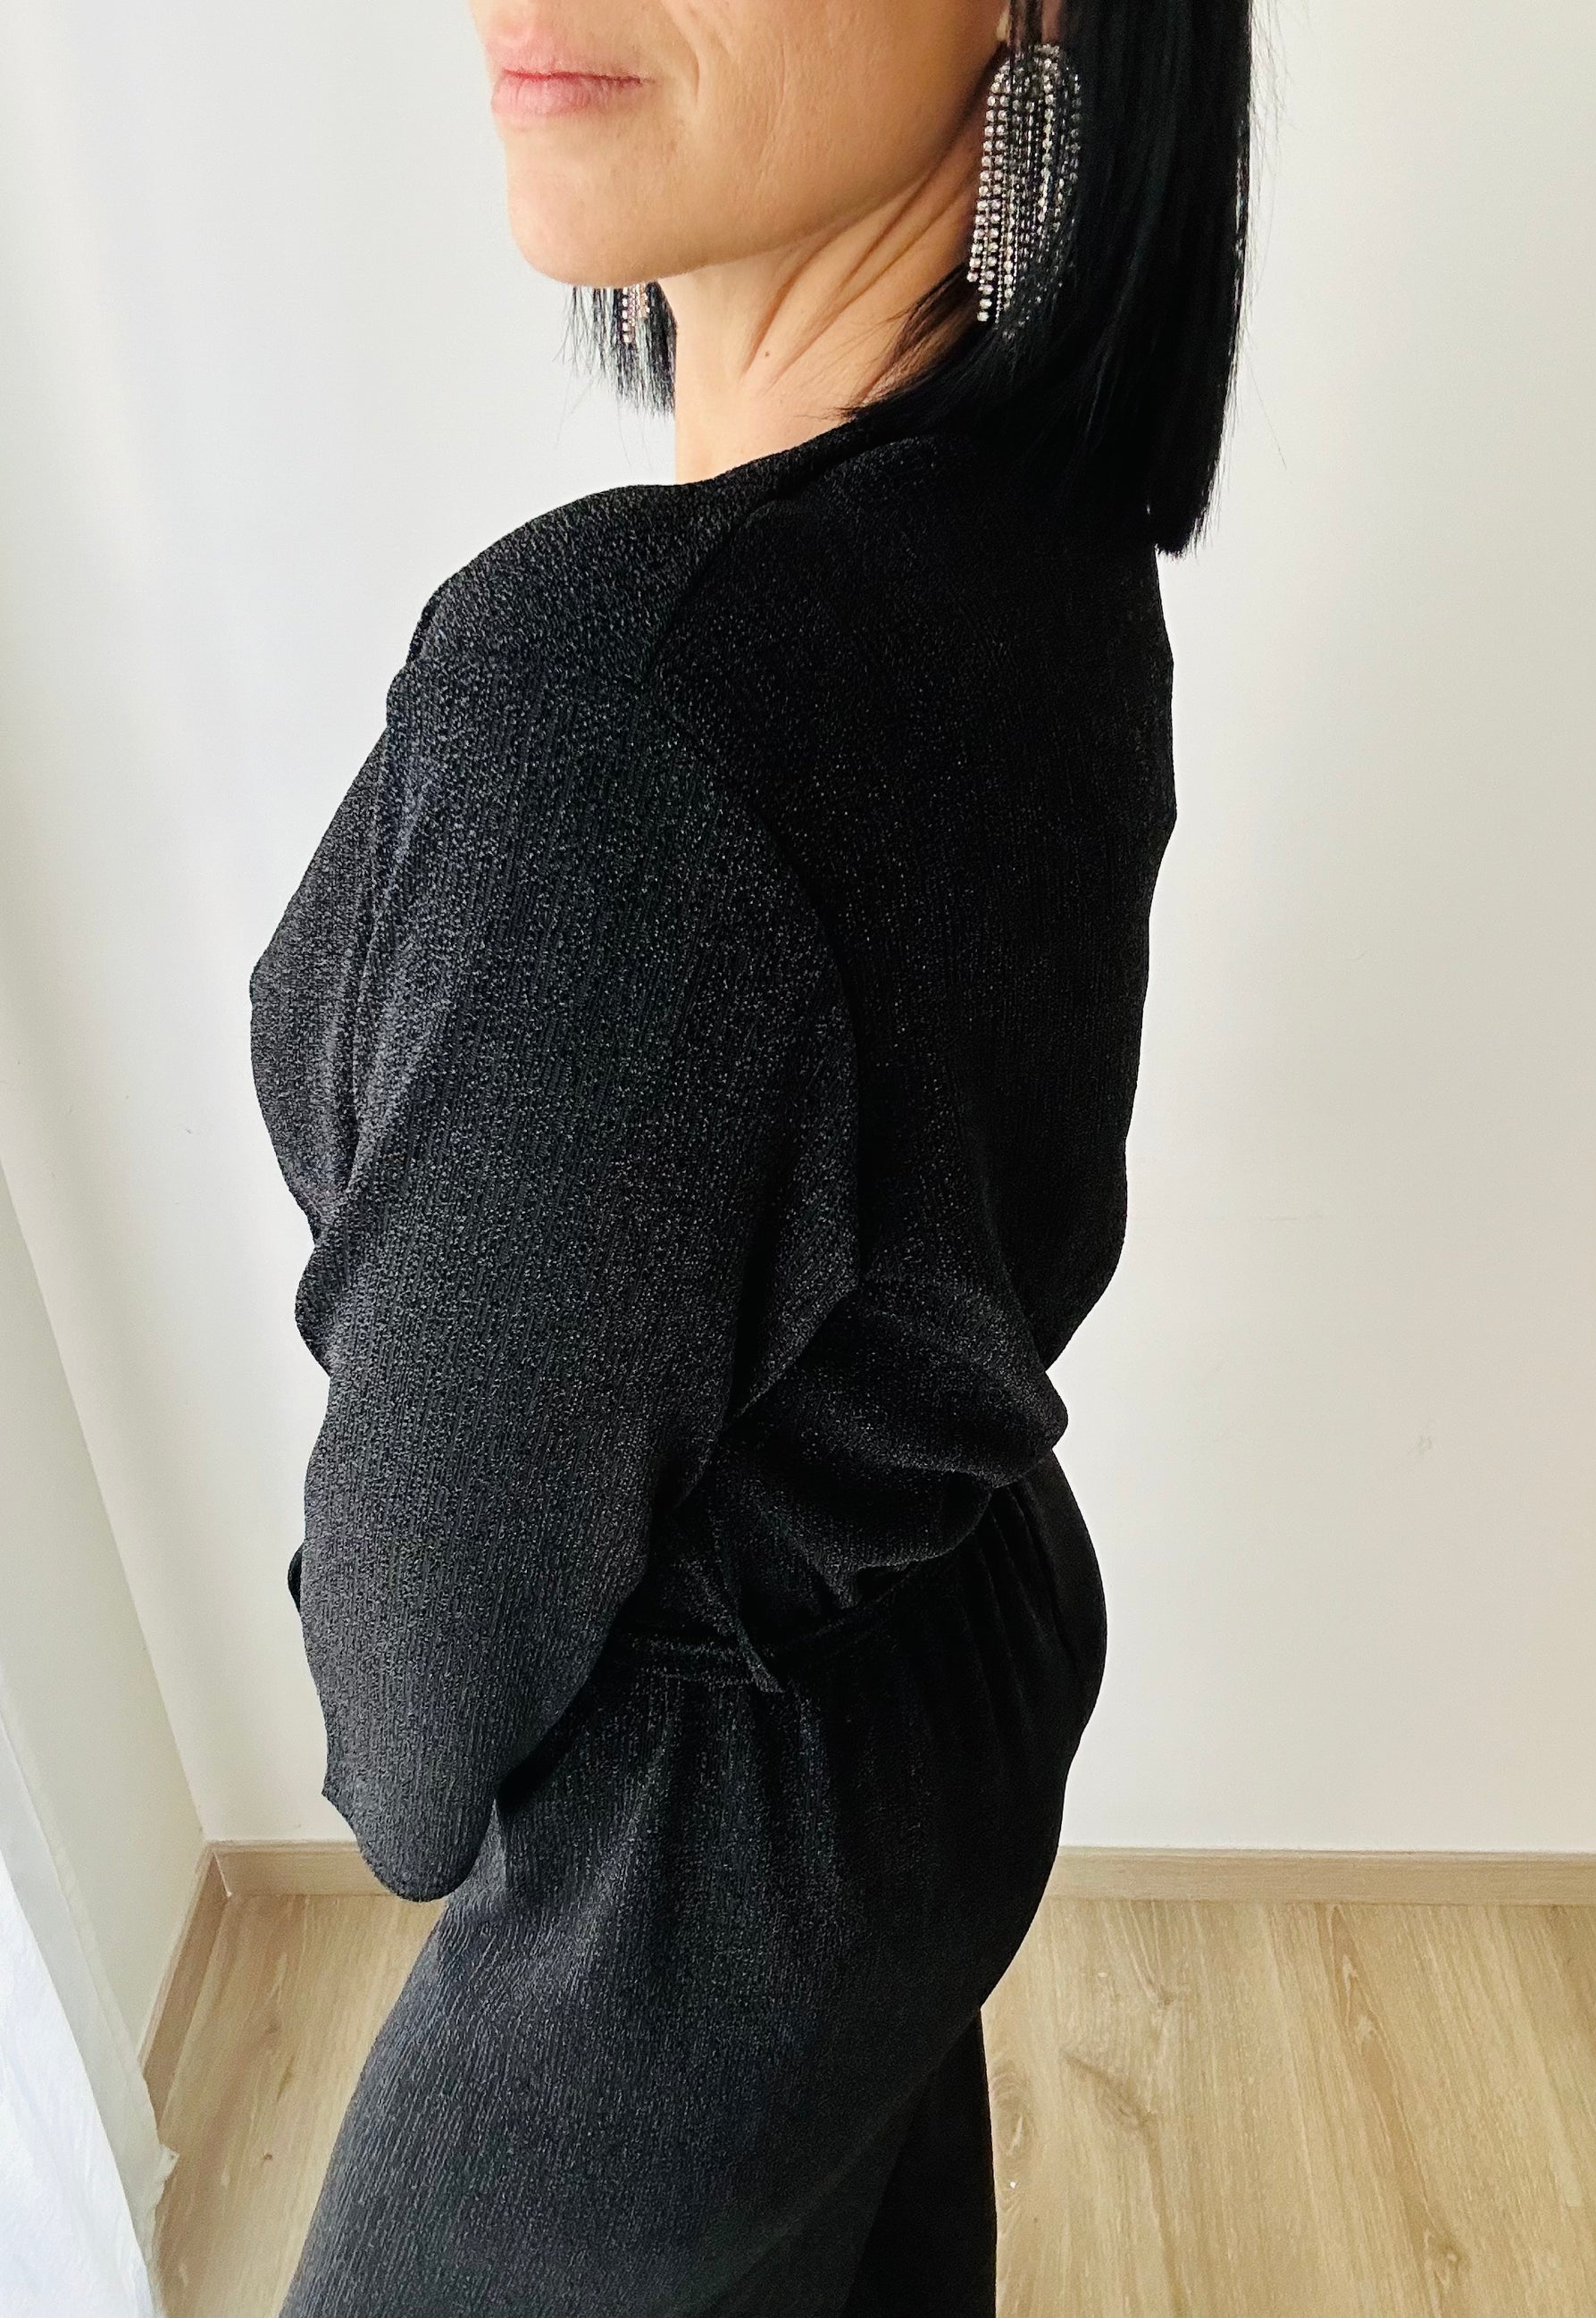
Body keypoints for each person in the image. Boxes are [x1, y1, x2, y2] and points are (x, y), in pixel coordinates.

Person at [247, 0, 1250, 2306]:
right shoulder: (1023, 531)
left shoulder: (617, 717)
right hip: (918, 1730)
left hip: (660, 1950)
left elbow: (411, 1733)